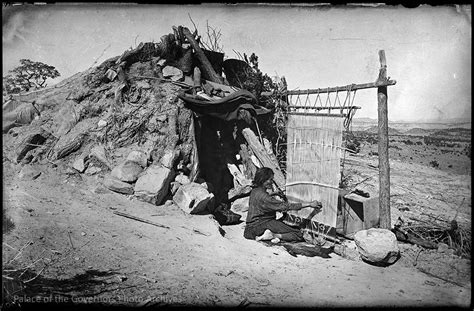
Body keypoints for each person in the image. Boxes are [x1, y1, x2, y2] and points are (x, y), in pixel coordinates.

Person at [243, 167, 322, 243]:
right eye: (270, 179)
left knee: (282, 224)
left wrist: (274, 193)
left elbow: (262, 199)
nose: (272, 182)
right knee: (298, 234)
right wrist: (309, 204)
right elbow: (286, 206)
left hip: (249, 229)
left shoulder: (255, 191)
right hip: (261, 226)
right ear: (263, 180)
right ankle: (273, 235)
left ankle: (268, 234)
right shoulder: (266, 198)